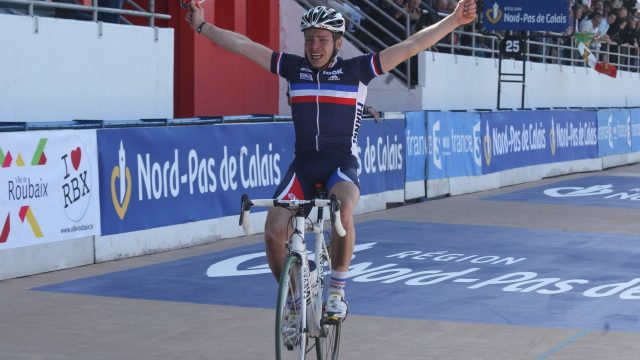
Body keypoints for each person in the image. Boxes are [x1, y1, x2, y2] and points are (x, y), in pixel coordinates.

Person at [184, 0, 476, 321]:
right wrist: (201, 26)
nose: (314, 46)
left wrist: (452, 20)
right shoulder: (293, 68)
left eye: (322, 40)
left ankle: (336, 290)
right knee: (272, 231)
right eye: (309, 39)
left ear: (338, 42)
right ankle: (295, 299)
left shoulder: (358, 70)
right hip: (303, 167)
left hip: (341, 166)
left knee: (343, 209)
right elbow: (244, 46)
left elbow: (411, 45)